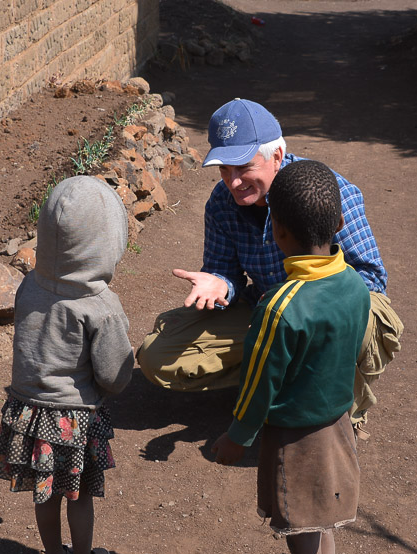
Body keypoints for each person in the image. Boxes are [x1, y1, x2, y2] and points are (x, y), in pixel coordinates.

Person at [137, 98, 402, 439]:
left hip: (331, 310)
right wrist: (221, 284)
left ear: (276, 156)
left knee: (368, 320)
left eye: (244, 167)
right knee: (157, 356)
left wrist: (307, 305)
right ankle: (272, 379)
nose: (232, 182)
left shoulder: (326, 192)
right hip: (265, 312)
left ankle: (338, 410)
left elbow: (372, 277)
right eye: (224, 169)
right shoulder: (222, 203)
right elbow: (225, 270)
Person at [212, 159, 369, 554]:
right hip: (339, 426)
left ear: (276, 233)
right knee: (323, 528)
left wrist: (235, 439)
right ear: (341, 224)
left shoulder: (281, 306)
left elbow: (258, 387)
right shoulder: (356, 288)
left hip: (297, 442)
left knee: (302, 539)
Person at [0, 176, 135, 554]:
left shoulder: (29, 285)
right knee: (79, 495)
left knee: (45, 492)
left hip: (26, 411)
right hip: (72, 421)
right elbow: (115, 376)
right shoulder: (100, 306)